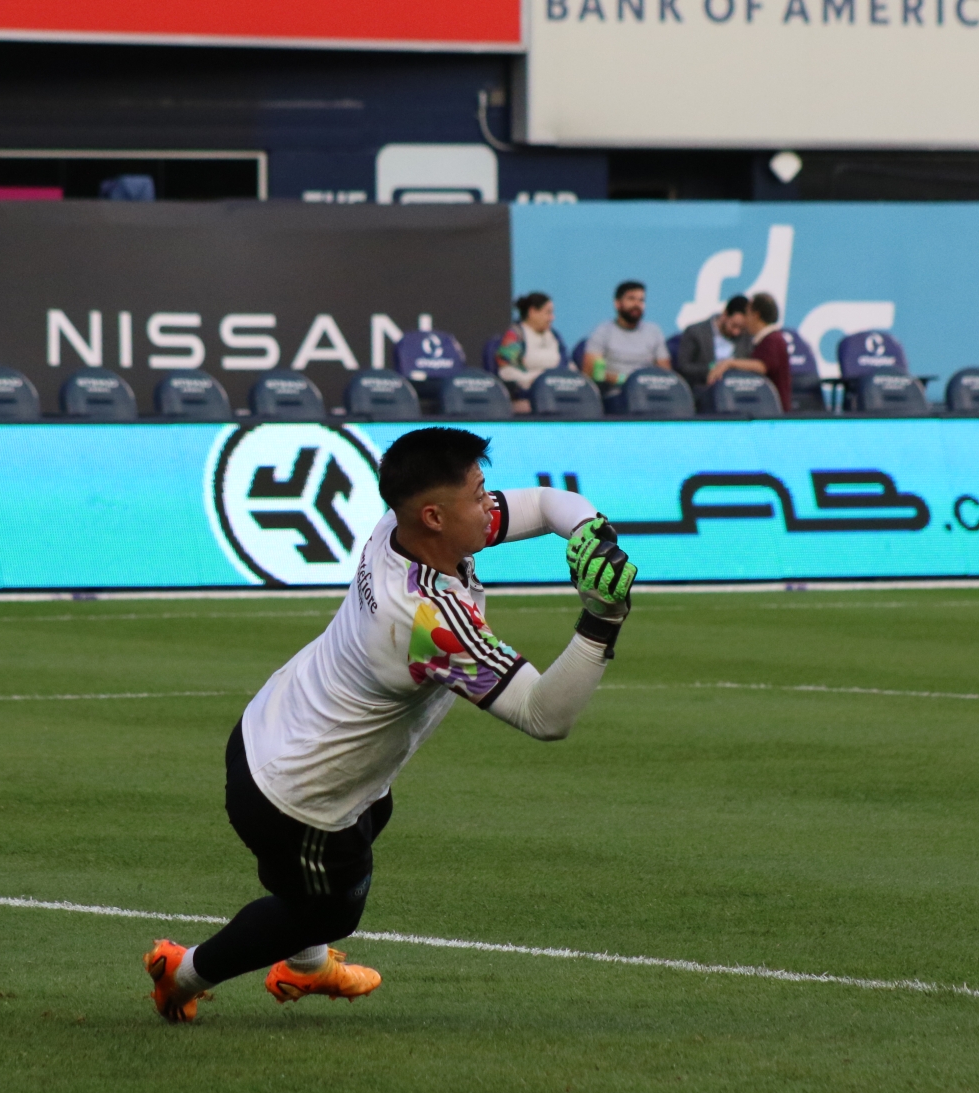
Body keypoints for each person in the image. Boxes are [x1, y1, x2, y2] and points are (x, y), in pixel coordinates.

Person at [145, 427, 639, 1023]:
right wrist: (603, 617)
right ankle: (182, 974)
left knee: (372, 810)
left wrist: (590, 532)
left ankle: (303, 963)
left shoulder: (399, 529)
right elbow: (545, 716)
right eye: (478, 495)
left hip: (270, 725)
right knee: (329, 910)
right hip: (293, 796)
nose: (490, 504)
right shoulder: (428, 620)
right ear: (434, 516)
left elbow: (542, 503)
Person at [581, 281, 669, 395]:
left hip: (648, 393)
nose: (637, 304)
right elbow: (590, 373)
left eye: (641, 300)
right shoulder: (602, 332)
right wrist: (625, 380)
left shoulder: (654, 332)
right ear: (617, 303)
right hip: (614, 393)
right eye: (631, 299)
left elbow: (666, 373)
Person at [494, 293, 568, 414]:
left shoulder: (555, 336)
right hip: (526, 397)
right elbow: (506, 371)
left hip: (557, 393)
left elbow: (565, 364)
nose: (552, 318)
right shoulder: (516, 335)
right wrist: (531, 381)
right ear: (532, 312)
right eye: (548, 312)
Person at [675, 295, 755, 397]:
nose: (736, 332)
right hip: (703, 391)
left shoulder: (747, 337)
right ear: (725, 315)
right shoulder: (695, 332)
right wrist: (713, 367)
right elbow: (684, 367)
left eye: (741, 328)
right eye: (734, 325)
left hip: (737, 391)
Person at [736, 292, 791, 411]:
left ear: (756, 315)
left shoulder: (773, 340)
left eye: (747, 314)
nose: (745, 320)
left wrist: (728, 364)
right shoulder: (765, 340)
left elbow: (762, 366)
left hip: (775, 411)